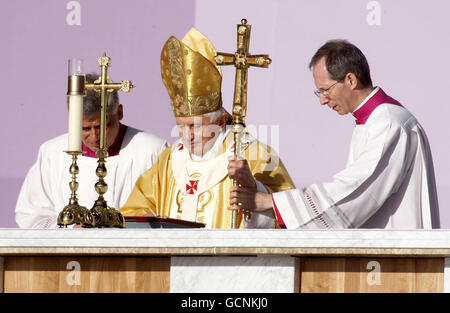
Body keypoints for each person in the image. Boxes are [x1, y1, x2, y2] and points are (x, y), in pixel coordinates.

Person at [228, 39, 440, 229]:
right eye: (318, 93)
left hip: (397, 262)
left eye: (325, 90)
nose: (322, 100)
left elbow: (355, 192)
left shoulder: (390, 123)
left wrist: (268, 202)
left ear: (350, 80)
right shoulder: (372, 121)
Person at [119, 28, 295, 229]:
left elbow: (289, 213)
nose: (187, 136)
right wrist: (147, 221)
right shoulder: (169, 160)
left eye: (194, 126)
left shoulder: (255, 155)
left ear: (220, 122)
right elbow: (134, 211)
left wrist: (253, 187)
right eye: (180, 126)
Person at [16, 73, 168, 228]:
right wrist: (69, 228)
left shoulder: (153, 151)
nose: (95, 137)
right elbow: (30, 216)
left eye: (102, 127)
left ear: (120, 113)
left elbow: (173, 212)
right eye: (85, 128)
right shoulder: (52, 153)